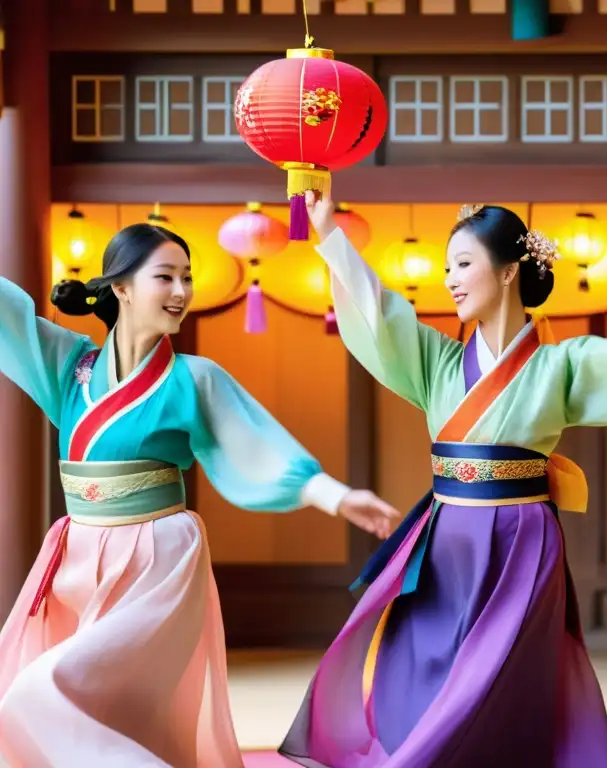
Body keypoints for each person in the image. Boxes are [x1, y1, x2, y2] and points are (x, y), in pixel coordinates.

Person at [279, 195, 607, 768]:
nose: (449, 279)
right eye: (447, 266)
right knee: (425, 664)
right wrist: (328, 233)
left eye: (462, 263)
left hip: (521, 540)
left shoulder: (558, 366)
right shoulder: (438, 362)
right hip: (446, 535)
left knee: (499, 674)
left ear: (508, 271)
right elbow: (378, 313)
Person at [0, 222, 399, 767]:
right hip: (78, 554)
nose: (182, 292)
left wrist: (333, 496)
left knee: (42, 691)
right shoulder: (71, 368)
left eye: (187, 278)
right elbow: (10, 317)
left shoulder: (193, 378)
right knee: (107, 708)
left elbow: (256, 444)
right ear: (120, 288)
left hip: (160, 559)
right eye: (165, 277)